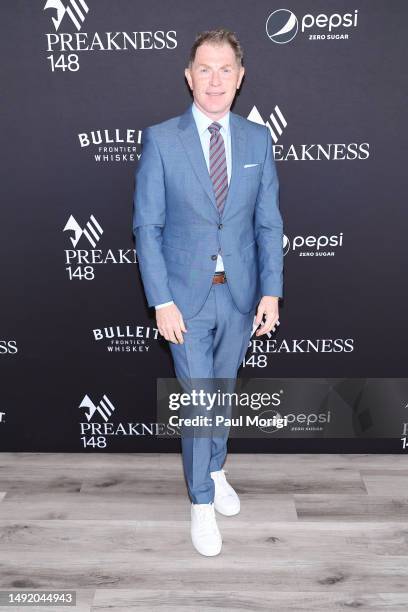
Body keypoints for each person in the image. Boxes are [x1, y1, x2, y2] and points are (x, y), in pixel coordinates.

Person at [133, 28, 284, 556]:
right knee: (199, 401)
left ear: (240, 78)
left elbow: (268, 225)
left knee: (220, 392)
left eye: (226, 70)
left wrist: (272, 292)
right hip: (184, 300)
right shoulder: (161, 139)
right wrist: (161, 300)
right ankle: (199, 502)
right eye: (205, 68)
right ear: (188, 75)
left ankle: (216, 470)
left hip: (240, 295)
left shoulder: (258, 140)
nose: (215, 80)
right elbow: (146, 228)